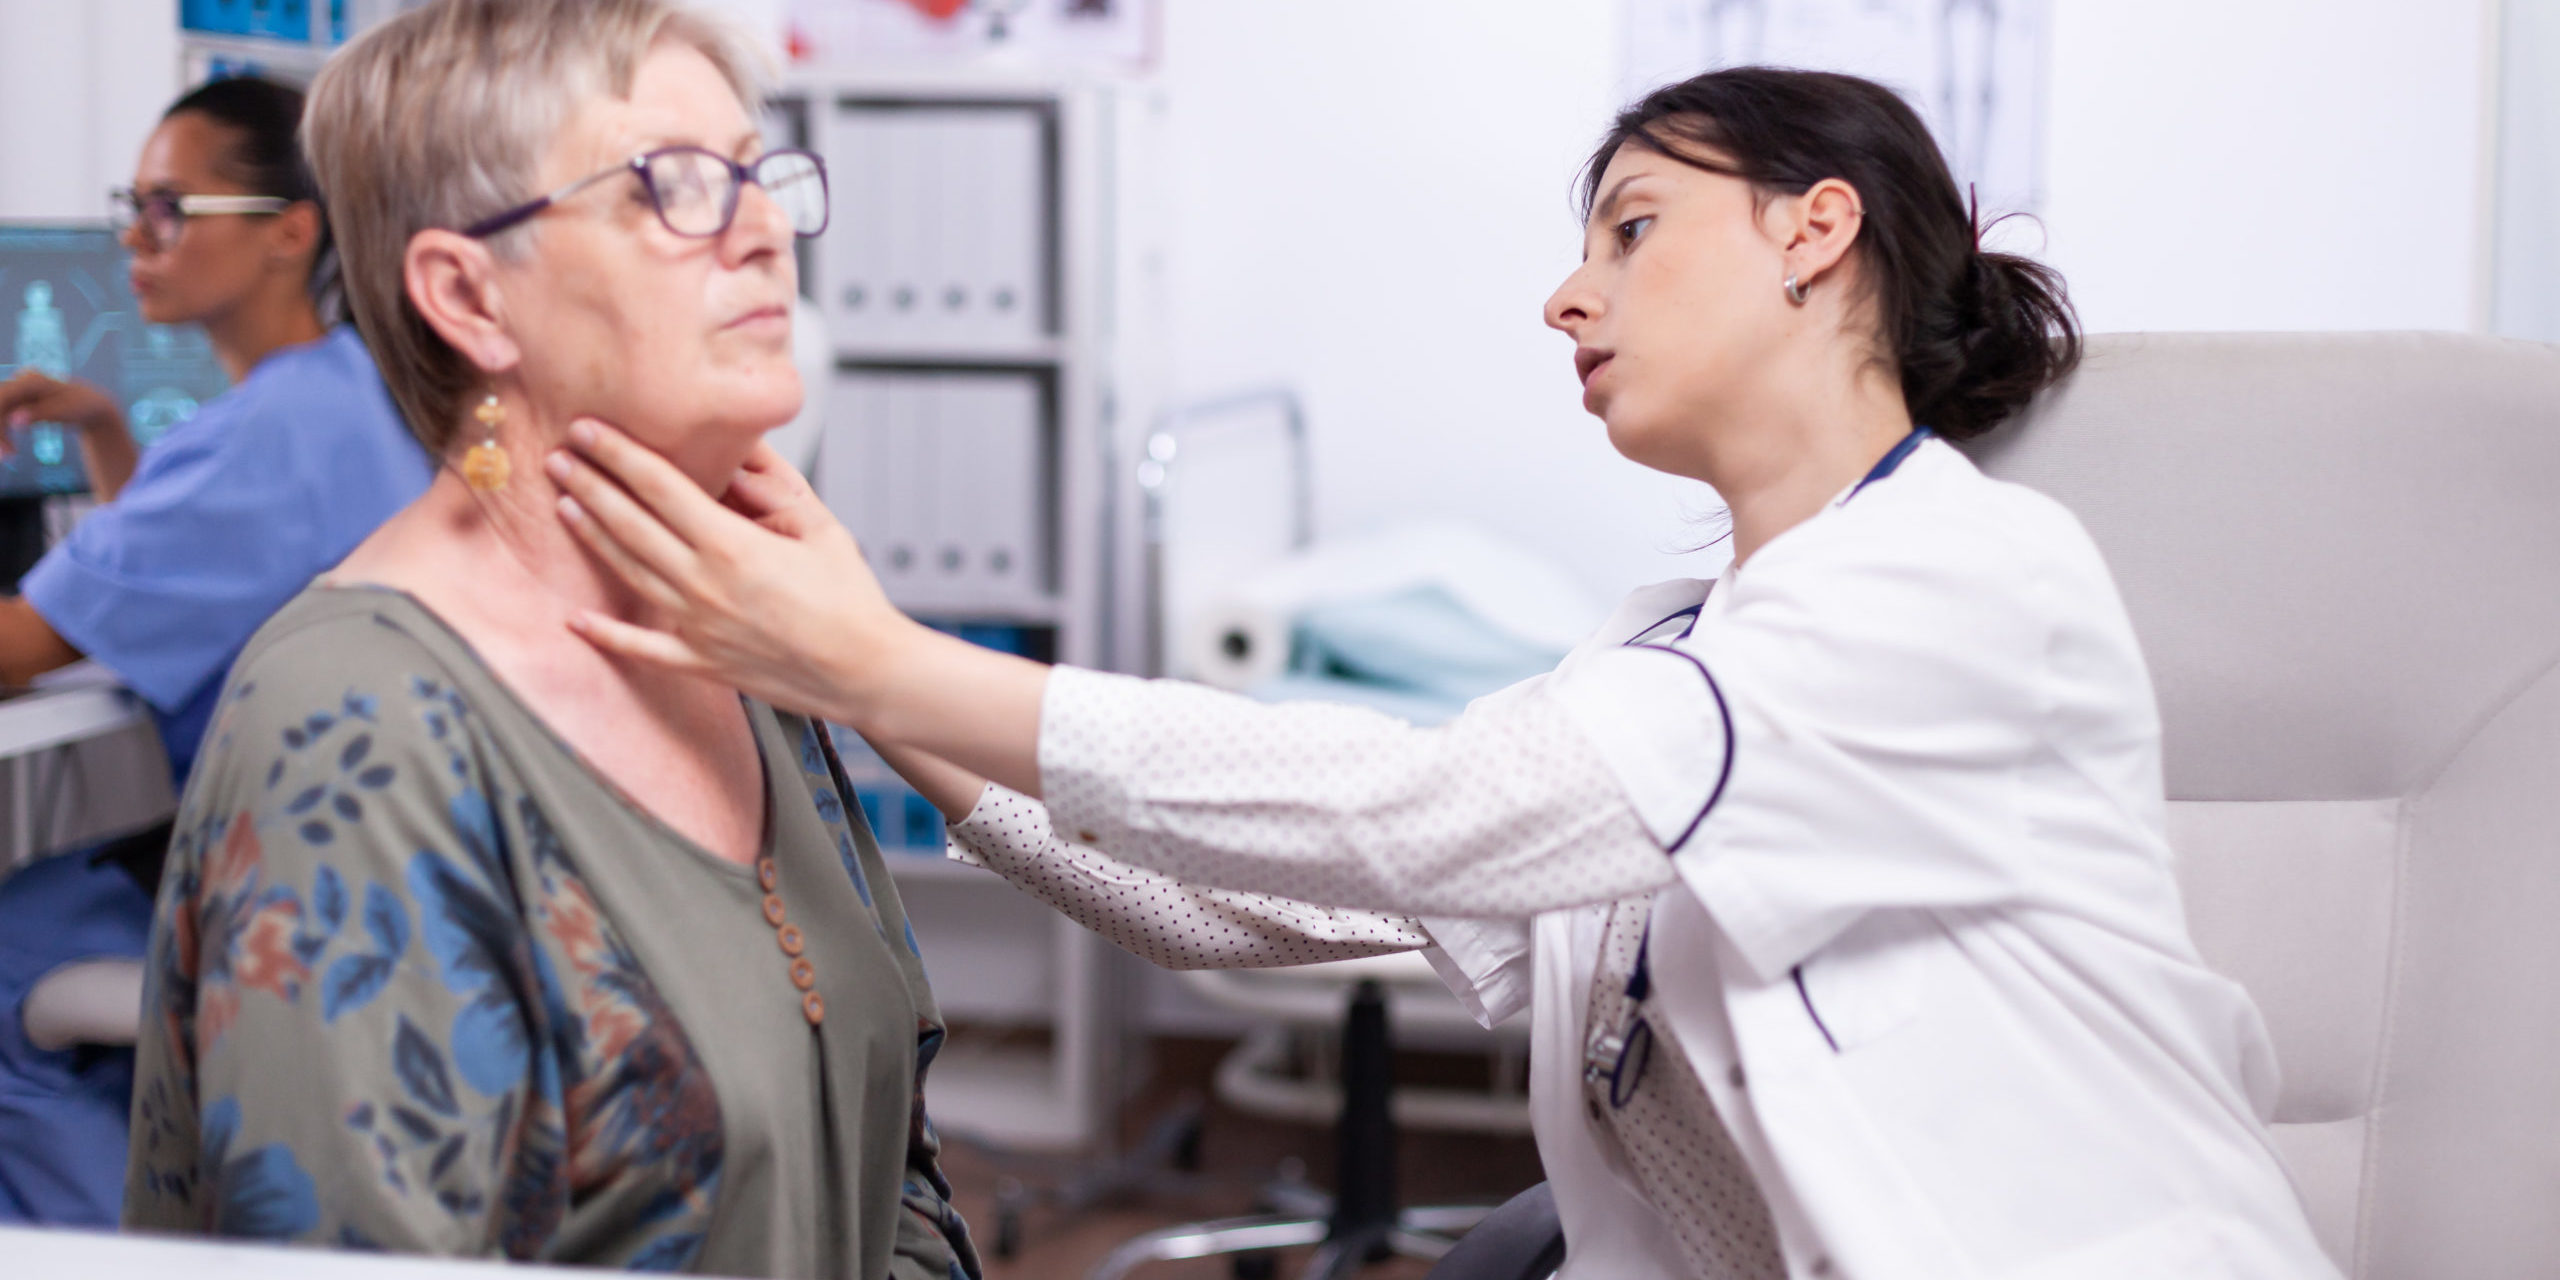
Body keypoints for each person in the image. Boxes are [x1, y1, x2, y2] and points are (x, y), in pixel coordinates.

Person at [547, 68, 2340, 1278]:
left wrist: (888, 657)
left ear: (1816, 230)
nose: (1567, 298)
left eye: (1630, 228)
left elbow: (1424, 813)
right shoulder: (1672, 652)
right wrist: (881, 706)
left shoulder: (1953, 584)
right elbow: (1260, 916)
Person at [123, 4, 977, 1277]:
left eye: (755, 171)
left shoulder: (738, 630)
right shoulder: (355, 731)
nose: (760, 229)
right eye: (672, 186)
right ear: (469, 294)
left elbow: (886, 1170)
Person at [0, 76, 431, 1228]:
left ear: (292, 232)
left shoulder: (260, 437)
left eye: (168, 209)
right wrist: (102, 425)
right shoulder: (354, 388)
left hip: (295, 890)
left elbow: (16, 647)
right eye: (130, 207)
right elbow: (176, 568)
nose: (137, 239)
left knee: (7, 953)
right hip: (392, 862)